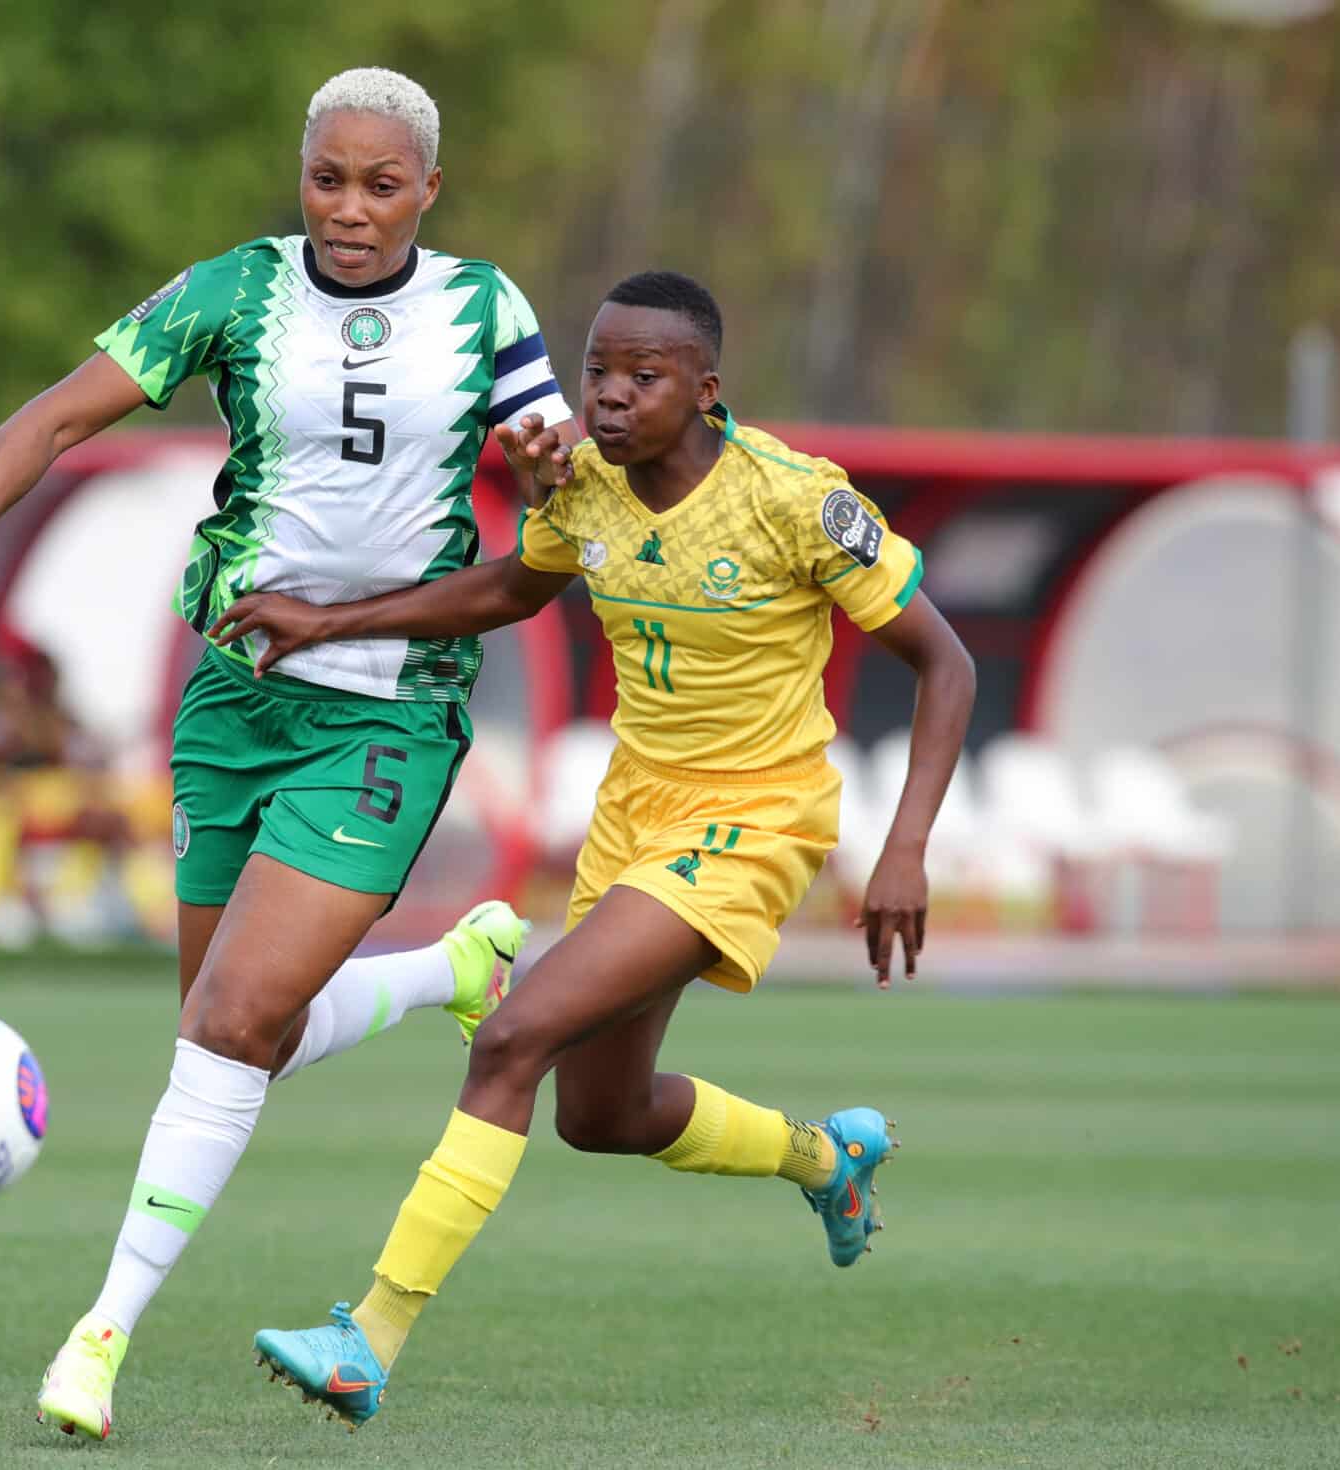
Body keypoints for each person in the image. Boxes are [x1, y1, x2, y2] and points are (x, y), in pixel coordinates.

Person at [0, 67, 578, 1440]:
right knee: (229, 1027)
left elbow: (556, 480)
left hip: (387, 707)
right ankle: (449, 972)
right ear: (299, 179)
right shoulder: (235, 293)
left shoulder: (487, 310)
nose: (350, 210)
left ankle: (99, 1331)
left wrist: (553, 472)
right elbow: (58, 413)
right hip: (235, 701)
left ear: (429, 189)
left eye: (379, 184)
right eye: (326, 179)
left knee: (232, 1027)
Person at [215, 270, 977, 1428]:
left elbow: (946, 663)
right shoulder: (583, 487)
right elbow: (513, 587)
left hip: (752, 819)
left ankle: (366, 1338)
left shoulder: (792, 500)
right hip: (633, 815)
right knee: (599, 1116)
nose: (609, 399)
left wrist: (903, 846)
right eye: (597, 373)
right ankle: (826, 1162)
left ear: (705, 390)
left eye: (643, 376)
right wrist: (328, 621)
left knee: (512, 1037)